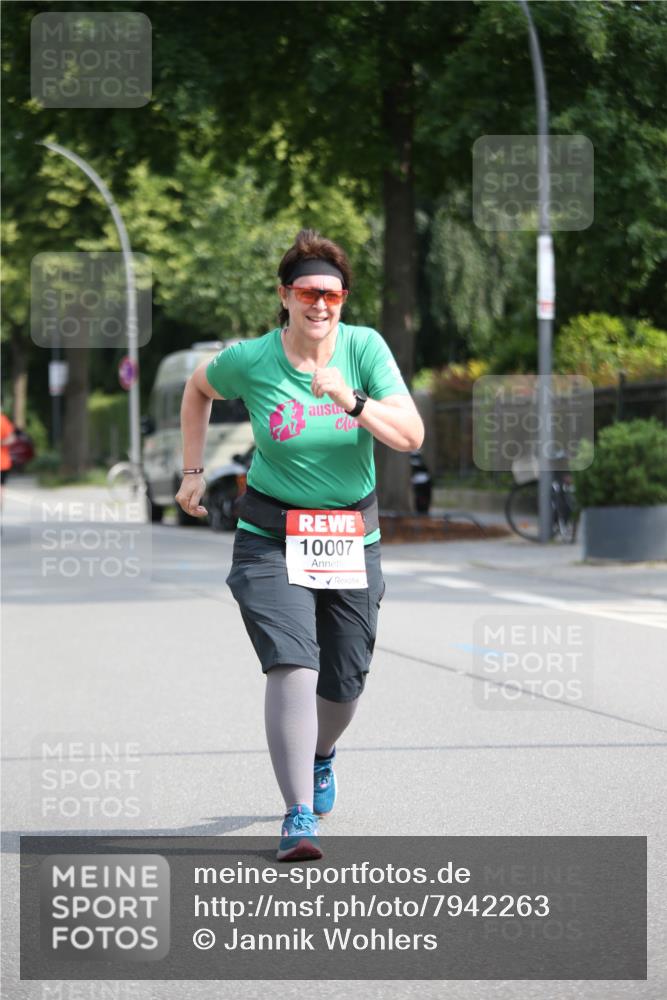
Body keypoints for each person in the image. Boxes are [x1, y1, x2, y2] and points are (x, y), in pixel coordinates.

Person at [176, 229, 424, 861]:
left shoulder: (364, 349)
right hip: (270, 534)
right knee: (293, 661)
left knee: (343, 685)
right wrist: (193, 471)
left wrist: (352, 399)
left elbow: (411, 436)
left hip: (350, 534)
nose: (321, 305)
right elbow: (198, 388)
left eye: (333, 295)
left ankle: (320, 753)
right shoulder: (254, 358)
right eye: (309, 292)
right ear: (285, 296)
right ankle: (298, 815)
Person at [0, 410, 17, 513]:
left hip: (2, 462)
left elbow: (11, 438)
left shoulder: (2, 420)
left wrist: (1, 442)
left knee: (1, 486)